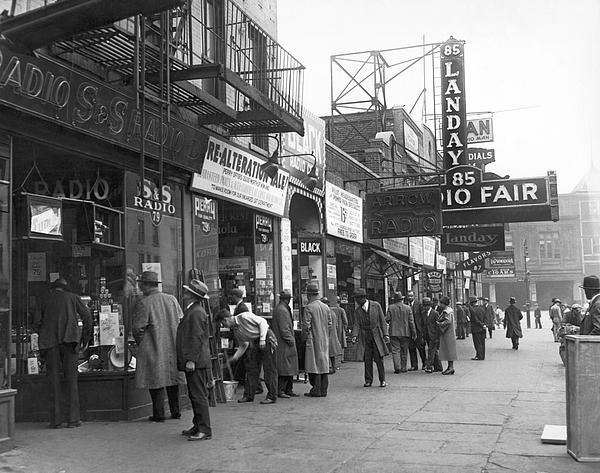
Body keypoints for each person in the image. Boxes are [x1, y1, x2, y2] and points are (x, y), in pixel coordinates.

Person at [35, 278, 92, 428]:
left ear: (53, 288)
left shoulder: (44, 299)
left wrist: (42, 333)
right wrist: (84, 339)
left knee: (53, 381)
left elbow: (36, 321)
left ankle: (55, 420)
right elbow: (87, 317)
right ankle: (73, 419)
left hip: (50, 342)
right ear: (65, 288)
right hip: (69, 341)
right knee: (71, 381)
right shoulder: (73, 298)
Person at [133, 271, 183, 422]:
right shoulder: (172, 299)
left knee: (155, 380)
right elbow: (180, 319)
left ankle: (159, 414)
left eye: (141, 284)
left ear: (147, 285)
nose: (139, 287)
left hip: (154, 344)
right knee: (172, 380)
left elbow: (137, 328)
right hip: (172, 344)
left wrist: (142, 342)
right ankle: (176, 411)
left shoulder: (145, 302)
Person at [215, 308, 278, 404]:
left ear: (226, 319)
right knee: (251, 368)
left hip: (266, 337)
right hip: (255, 342)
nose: (224, 326)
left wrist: (262, 339)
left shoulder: (244, 316)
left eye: (223, 324)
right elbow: (244, 344)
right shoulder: (236, 330)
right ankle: (248, 395)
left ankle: (272, 396)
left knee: (269, 368)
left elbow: (263, 322)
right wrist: (236, 357)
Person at [176, 280, 212, 441]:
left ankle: (204, 429)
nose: (184, 293)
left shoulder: (196, 312)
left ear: (192, 295)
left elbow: (196, 338)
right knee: (195, 395)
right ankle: (198, 425)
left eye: (187, 292)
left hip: (196, 361)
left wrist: (191, 360)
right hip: (196, 360)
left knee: (198, 396)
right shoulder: (195, 310)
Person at [352, 288, 389, 387]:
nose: (356, 301)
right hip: (365, 336)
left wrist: (385, 334)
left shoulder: (376, 305)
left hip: (376, 335)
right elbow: (356, 324)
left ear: (362, 298)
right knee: (367, 359)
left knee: (379, 359)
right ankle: (368, 380)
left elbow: (382, 321)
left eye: (356, 299)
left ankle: (382, 380)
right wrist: (354, 336)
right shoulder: (358, 310)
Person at [302, 282, 331, 397]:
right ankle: (323, 390)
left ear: (309, 295)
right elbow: (330, 324)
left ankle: (316, 389)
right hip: (324, 339)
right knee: (323, 364)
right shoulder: (325, 307)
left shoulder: (309, 308)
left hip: (313, 339)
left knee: (313, 365)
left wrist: (304, 339)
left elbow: (306, 326)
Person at [271, 289, 299, 398]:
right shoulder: (281, 310)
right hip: (284, 343)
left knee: (288, 366)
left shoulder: (282, 308)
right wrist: (291, 341)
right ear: (287, 299)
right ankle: (281, 390)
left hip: (285, 342)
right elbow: (284, 329)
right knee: (285, 367)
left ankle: (288, 389)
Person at [385, 292, 416, 373]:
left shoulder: (390, 307)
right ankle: (404, 367)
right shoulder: (408, 308)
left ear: (395, 300)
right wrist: (414, 332)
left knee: (395, 351)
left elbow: (387, 319)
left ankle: (397, 367)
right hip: (405, 332)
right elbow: (411, 321)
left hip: (394, 332)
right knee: (404, 350)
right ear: (402, 299)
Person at [406, 291, 426, 370]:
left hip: (418, 329)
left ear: (414, 296)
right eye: (408, 296)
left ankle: (424, 363)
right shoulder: (406, 305)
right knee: (411, 348)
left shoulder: (419, 305)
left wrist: (423, 329)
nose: (410, 297)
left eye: (411, 296)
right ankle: (414, 365)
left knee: (420, 347)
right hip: (409, 330)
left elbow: (423, 317)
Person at [321, 297, 342, 374]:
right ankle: (333, 367)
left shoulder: (325, 312)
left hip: (327, 335)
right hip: (333, 335)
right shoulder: (332, 312)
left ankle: (328, 368)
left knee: (326, 353)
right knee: (332, 354)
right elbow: (335, 324)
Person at [437, 296, 457, 375]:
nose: (440, 305)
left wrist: (439, 324)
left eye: (441, 303)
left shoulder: (446, 312)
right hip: (450, 333)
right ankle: (450, 367)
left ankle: (450, 367)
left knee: (449, 350)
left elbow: (447, 322)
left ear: (444, 303)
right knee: (449, 350)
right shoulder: (450, 310)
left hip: (447, 333)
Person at [422, 297, 443, 373]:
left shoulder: (435, 313)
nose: (425, 307)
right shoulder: (423, 313)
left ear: (430, 305)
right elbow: (423, 325)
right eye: (424, 305)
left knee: (431, 351)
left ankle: (429, 366)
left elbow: (438, 325)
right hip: (427, 335)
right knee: (434, 351)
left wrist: (437, 337)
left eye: (427, 305)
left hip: (434, 335)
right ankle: (439, 367)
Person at [331, 296, 349, 363]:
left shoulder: (330, 309)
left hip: (332, 329)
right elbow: (345, 321)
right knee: (341, 343)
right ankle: (341, 358)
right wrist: (345, 328)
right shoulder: (341, 310)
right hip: (340, 329)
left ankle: (335, 359)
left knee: (334, 343)